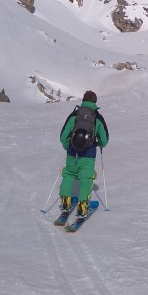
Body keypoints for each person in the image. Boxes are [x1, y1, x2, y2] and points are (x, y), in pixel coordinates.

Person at [59, 90, 109, 219]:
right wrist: (99, 144)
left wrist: (67, 146)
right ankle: (82, 207)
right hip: (88, 154)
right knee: (86, 178)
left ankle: (65, 203)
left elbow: (63, 136)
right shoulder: (97, 117)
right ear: (95, 102)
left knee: (69, 174)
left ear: (83, 100)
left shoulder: (74, 115)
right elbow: (104, 139)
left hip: (72, 152)